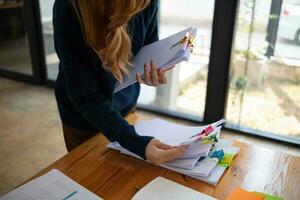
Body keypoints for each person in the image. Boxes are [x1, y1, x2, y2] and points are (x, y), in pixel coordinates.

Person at [53, 0, 187, 165]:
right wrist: (138, 144)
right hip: (83, 120)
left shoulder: (148, 2)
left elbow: (148, 46)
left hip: (126, 104)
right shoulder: (69, 9)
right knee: (90, 179)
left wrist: (153, 70)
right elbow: (86, 97)